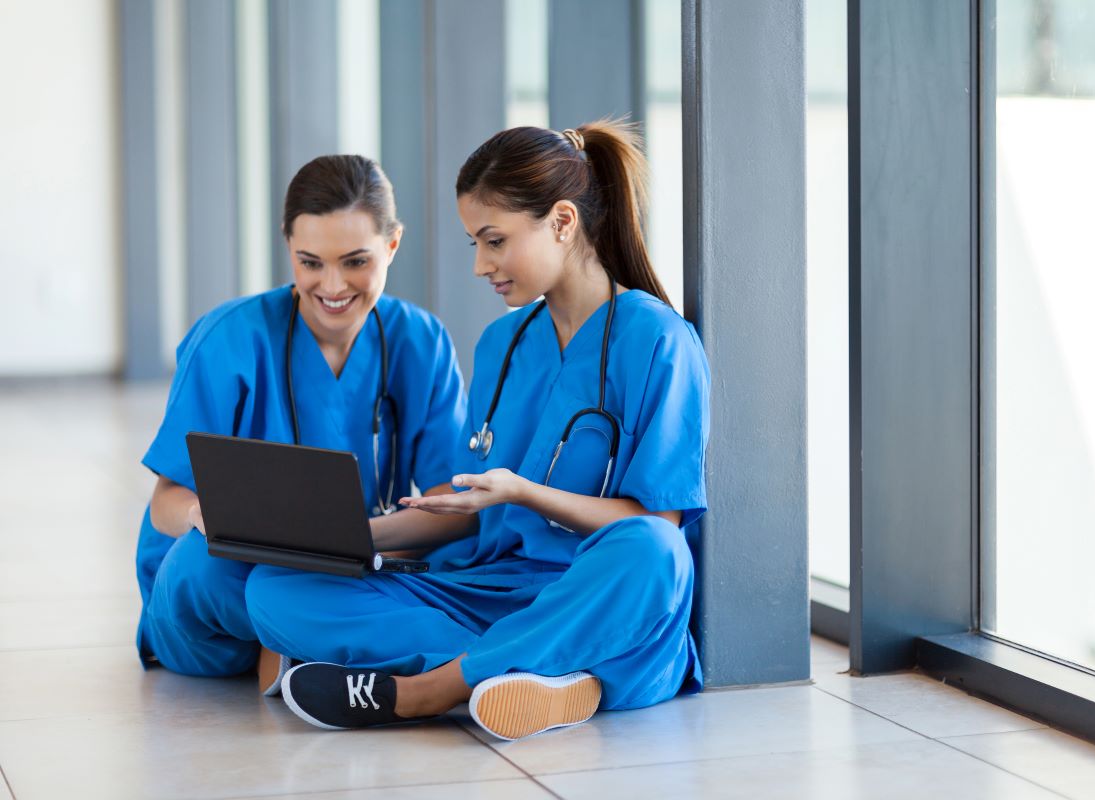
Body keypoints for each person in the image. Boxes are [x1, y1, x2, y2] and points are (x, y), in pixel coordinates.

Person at [245, 120, 711, 740]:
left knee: (655, 557)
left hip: (590, 587)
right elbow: (468, 512)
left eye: (494, 241)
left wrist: (524, 492)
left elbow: (656, 523)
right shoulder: (503, 343)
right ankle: (542, 672)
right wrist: (335, 538)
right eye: (474, 244)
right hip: (490, 588)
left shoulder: (659, 341)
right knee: (275, 588)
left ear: (563, 223)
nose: (480, 265)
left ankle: (426, 690)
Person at [135, 155, 468, 693]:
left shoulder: (421, 341)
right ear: (288, 246)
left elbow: (450, 508)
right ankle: (348, 647)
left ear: (393, 245)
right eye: (310, 262)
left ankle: (309, 647)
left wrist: (355, 546)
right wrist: (214, 520)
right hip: (230, 580)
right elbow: (165, 502)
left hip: (361, 561)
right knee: (202, 566)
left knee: (470, 555)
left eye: (355, 261)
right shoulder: (228, 338)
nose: (332, 286)